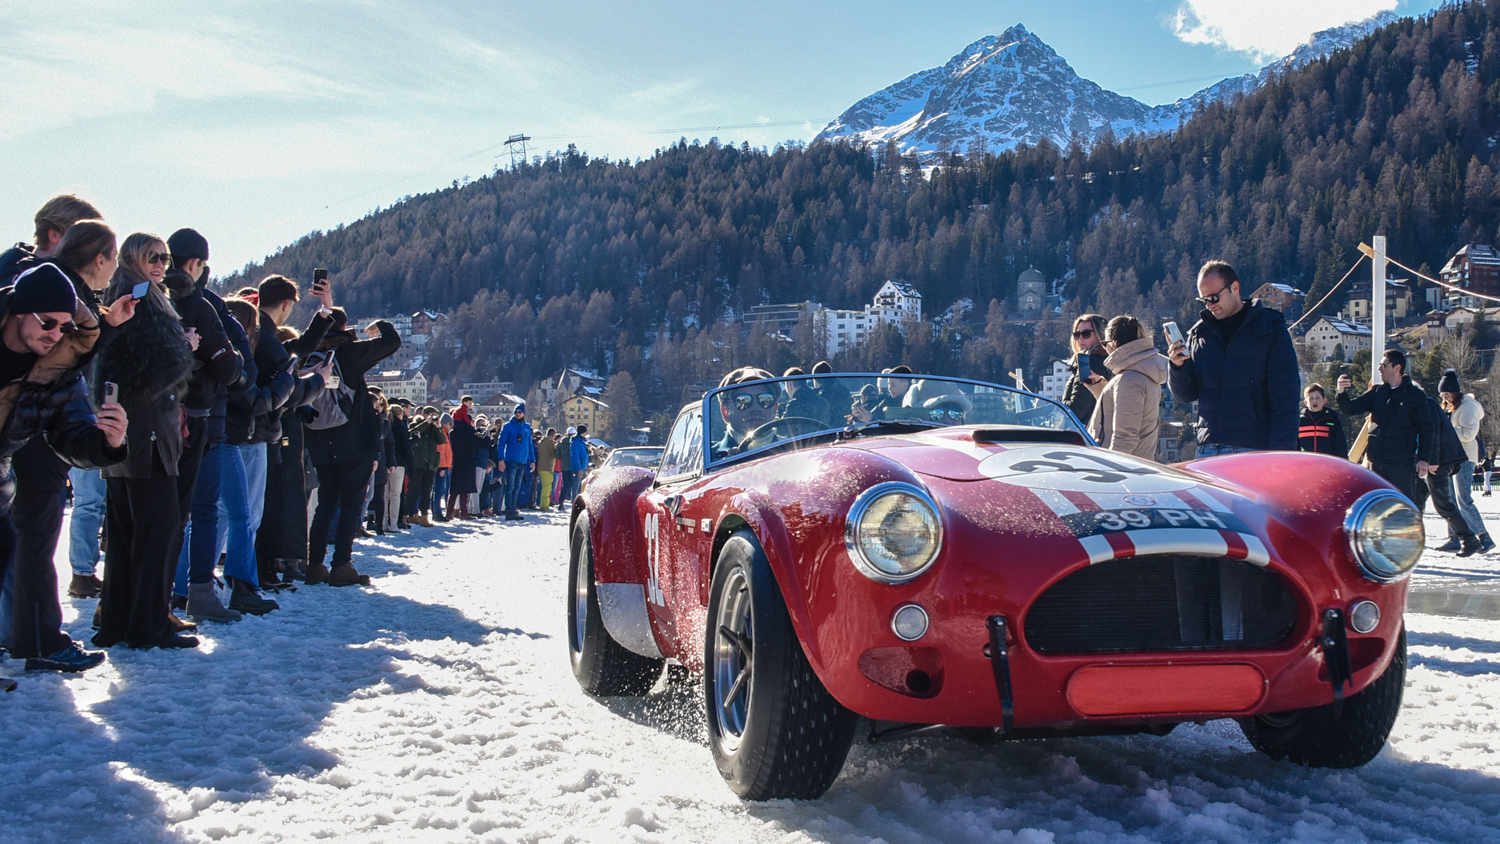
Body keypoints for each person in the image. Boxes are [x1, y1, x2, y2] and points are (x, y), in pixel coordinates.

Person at [0, 265, 128, 673]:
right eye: (47, 323)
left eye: (64, 325)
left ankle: (35, 644)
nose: (55, 334)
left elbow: (70, 435)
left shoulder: (59, 366)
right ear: (20, 311)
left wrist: (108, 442)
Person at [94, 235, 199, 650]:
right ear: (132, 258)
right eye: (151, 257)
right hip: (146, 432)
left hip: (128, 431)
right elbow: (146, 369)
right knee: (157, 529)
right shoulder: (138, 298)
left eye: (164, 257)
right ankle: (148, 624)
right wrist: (185, 350)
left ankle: (119, 621)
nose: (160, 264)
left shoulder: (131, 293)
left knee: (126, 532)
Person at [303, 311, 400, 585]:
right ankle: (341, 565)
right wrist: (381, 325)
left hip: (320, 440)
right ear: (345, 327)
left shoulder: (307, 353)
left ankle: (314, 564)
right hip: (354, 442)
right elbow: (392, 342)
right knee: (351, 504)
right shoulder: (348, 353)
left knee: (326, 504)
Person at [1167, 260, 1300, 455]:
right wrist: (1177, 367)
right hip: (1208, 450)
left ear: (1235, 287)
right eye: (1204, 300)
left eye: (1214, 297)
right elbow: (1185, 396)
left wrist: (1282, 455)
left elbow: (1286, 399)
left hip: (1253, 450)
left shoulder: (1270, 329)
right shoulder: (1200, 334)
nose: (1210, 305)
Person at [1336, 349, 1435, 504]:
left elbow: (1427, 429)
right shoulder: (1377, 392)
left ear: (1397, 368)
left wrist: (1423, 459)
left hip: (1401, 463)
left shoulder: (1415, 395)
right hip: (1376, 462)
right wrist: (1341, 393)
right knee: (1378, 507)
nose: (1379, 368)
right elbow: (1351, 408)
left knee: (1401, 507)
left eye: (1384, 365)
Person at [1086, 316, 1167, 460]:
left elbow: (1125, 437)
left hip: (1125, 472)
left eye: (1105, 343)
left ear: (1114, 343)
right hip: (1139, 466)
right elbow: (1122, 412)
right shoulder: (1142, 372)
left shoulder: (1129, 380)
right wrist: (1100, 388)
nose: (1104, 349)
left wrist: (1112, 469)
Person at [1436, 370, 1492, 553]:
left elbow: (1468, 434)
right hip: (1450, 457)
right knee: (1449, 500)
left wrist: (1448, 429)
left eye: (1447, 394)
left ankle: (1483, 536)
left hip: (1465, 458)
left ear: (1455, 391)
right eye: (1442, 394)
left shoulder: (1468, 407)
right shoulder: (1448, 406)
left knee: (1464, 499)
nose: (1445, 397)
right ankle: (1454, 537)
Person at [712, 367, 779, 458]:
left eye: (766, 400)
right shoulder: (710, 459)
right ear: (725, 412)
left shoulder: (795, 450)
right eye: (743, 401)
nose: (756, 408)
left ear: (775, 408)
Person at [1063, 314, 1111, 426]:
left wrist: (1053, 406)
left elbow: (1077, 410)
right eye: (1076, 334)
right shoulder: (1108, 361)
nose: (1080, 339)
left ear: (1100, 335)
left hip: (1086, 433)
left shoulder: (1090, 362)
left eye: (1086, 334)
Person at [405, 406, 443, 526]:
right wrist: (427, 423)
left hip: (430, 464)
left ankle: (424, 516)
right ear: (425, 415)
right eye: (431, 414)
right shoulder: (417, 423)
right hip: (418, 463)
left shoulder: (434, 428)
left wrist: (438, 427)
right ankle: (406, 515)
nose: (433, 417)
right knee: (412, 491)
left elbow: (441, 440)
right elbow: (412, 432)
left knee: (426, 492)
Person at [497, 403, 535, 520]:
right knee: (510, 486)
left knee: (518, 486)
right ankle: (509, 510)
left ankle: (513, 508)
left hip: (523, 461)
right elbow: (501, 443)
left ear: (524, 413)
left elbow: (530, 445)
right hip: (511, 460)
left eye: (520, 412)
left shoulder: (527, 427)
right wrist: (500, 459)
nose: (518, 414)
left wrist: (532, 460)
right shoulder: (508, 426)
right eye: (516, 412)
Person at [1297, 384, 1348, 458]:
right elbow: (1294, 444)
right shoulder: (1299, 421)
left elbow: (1340, 445)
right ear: (1306, 402)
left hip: (1327, 463)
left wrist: (1343, 463)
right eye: (1311, 398)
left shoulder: (1332, 419)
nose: (1314, 401)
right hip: (1305, 463)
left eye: (1318, 398)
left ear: (1324, 401)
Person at [446, 405, 480, 519]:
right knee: (465, 490)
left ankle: (449, 512)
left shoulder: (453, 432)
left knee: (454, 490)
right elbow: (480, 444)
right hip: (468, 461)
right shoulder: (470, 432)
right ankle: (463, 512)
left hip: (457, 461)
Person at [535, 426, 558, 512]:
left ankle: (540, 503)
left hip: (540, 467)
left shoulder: (541, 442)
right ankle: (544, 506)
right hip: (547, 467)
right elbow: (554, 454)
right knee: (547, 487)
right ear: (553, 435)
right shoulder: (550, 442)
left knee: (541, 486)